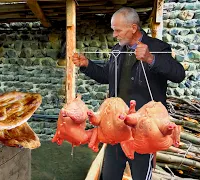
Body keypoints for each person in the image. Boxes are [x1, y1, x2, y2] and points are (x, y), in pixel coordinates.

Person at [72, 7, 185, 180]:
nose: (114, 35)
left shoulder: (158, 47)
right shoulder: (117, 50)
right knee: (109, 175)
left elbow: (178, 74)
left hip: (144, 128)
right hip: (117, 126)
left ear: (133, 28)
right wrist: (87, 64)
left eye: (117, 30)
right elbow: (105, 76)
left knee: (140, 176)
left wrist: (150, 58)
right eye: (113, 30)